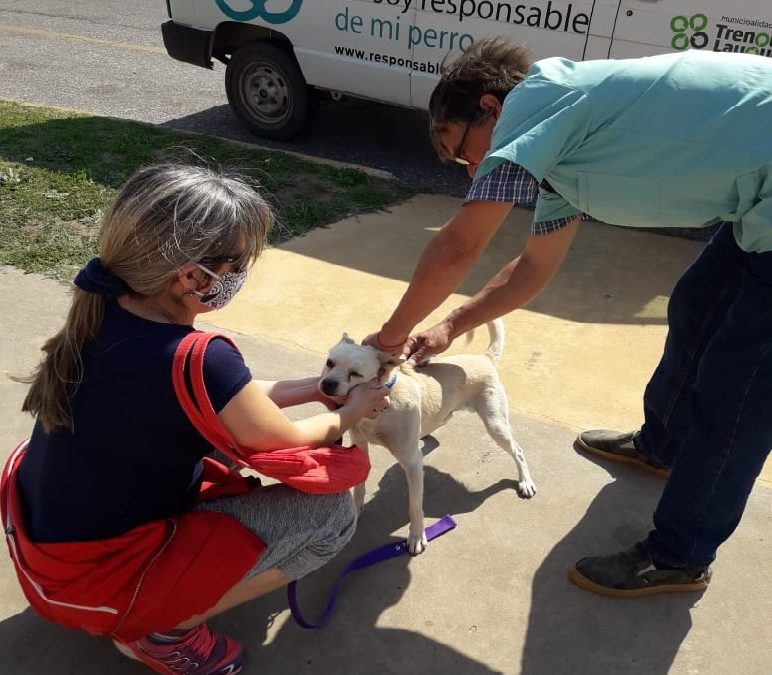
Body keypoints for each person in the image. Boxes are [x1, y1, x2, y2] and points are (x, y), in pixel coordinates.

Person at [364, 36, 772, 598]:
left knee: (740, 390)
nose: (471, 170)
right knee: (698, 304)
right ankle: (663, 445)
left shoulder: (541, 101)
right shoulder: (564, 158)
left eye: (464, 150)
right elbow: (531, 269)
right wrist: (450, 326)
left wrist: (388, 339)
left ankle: (681, 556)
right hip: (760, 199)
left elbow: (459, 246)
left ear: (489, 107)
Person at [4, 162, 390, 674]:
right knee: (333, 517)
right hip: (104, 576)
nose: (242, 276)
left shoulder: (105, 308)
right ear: (191, 276)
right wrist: (352, 413)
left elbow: (237, 399)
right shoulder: (200, 356)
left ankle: (159, 607)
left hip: (49, 556)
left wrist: (317, 387)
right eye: (238, 264)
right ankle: (161, 631)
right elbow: (283, 441)